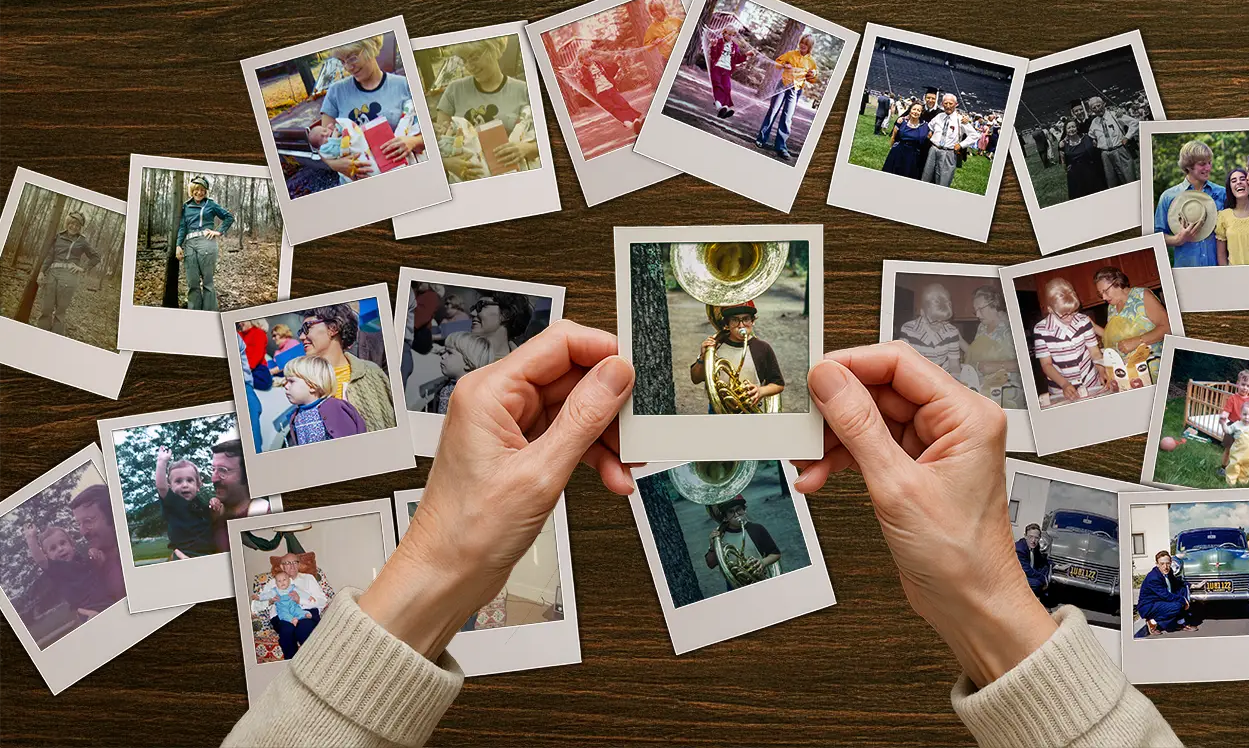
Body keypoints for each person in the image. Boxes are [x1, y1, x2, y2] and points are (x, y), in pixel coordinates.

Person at [222, 325, 1179, 747]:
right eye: (735, 321)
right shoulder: (701, 355)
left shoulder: (759, 355)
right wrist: (980, 604)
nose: (743, 326)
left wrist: (442, 568)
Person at [318, 34, 425, 177]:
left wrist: (413, 141)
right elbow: (323, 143)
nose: (348, 67)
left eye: (352, 57)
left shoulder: (404, 85)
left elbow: (431, 133)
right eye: (342, 61)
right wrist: (334, 164)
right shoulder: (336, 92)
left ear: (370, 48)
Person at [433, 37, 539, 181]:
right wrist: (447, 164)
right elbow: (439, 144)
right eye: (464, 60)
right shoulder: (454, 90)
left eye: (474, 58)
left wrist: (526, 149)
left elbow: (545, 142)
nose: (469, 67)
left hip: (513, 180)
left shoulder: (524, 90)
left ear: (494, 50)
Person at [297, 304, 397, 432]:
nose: (301, 337)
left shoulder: (372, 373)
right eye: (301, 331)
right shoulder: (301, 381)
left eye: (307, 327)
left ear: (333, 328)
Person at [690, 301, 785, 412]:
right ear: (727, 324)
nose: (741, 325)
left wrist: (760, 391)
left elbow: (778, 384)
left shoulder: (763, 348)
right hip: (718, 411)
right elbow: (695, 379)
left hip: (751, 411)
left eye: (746, 319)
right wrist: (703, 357)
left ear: (753, 321)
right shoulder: (715, 346)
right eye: (735, 320)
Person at [1031, 278, 1107, 405]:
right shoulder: (1041, 330)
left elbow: (1094, 353)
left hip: (1090, 383)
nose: (1071, 318)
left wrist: (1101, 370)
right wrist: (1065, 384)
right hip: (1060, 389)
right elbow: (1046, 365)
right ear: (1050, 309)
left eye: (1073, 311)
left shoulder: (1083, 321)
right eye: (1064, 314)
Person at [1154, 140, 1227, 267]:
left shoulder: (1223, 193)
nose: (1208, 168)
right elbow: (1156, 236)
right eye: (1202, 164)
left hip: (1218, 269)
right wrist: (1177, 239)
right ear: (1188, 166)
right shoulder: (1169, 197)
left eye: (1209, 163)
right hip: (1186, 269)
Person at [23, 521, 114, 621]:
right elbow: (40, 560)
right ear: (47, 556)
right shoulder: (58, 570)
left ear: (71, 544)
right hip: (90, 612)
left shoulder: (83, 560)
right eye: (53, 548)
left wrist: (96, 555)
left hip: (108, 602)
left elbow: (100, 571)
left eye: (63, 543)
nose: (60, 549)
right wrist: (31, 538)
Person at [1091, 266, 1168, 382]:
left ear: (1117, 282)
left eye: (1105, 291)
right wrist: (1093, 326)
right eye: (1100, 294)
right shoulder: (1111, 308)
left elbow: (1168, 328)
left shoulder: (1142, 295)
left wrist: (1138, 341)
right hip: (1128, 375)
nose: (1103, 297)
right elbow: (1113, 338)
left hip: (1152, 371)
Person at [272, 355, 368, 447]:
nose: (285, 385)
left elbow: (351, 442)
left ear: (312, 386)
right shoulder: (297, 416)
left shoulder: (334, 408)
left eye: (291, 381)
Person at [170, 175, 234, 312]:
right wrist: (178, 245)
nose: (200, 193)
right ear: (192, 189)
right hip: (189, 245)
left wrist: (219, 232)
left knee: (208, 282)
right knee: (192, 283)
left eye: (203, 190)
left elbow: (229, 217)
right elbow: (182, 227)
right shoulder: (186, 206)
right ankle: (194, 313)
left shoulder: (210, 204)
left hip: (207, 242)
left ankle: (209, 313)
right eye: (197, 189)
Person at [250, 553, 329, 661]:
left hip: (305, 613)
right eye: (287, 563)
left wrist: (300, 600)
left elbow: (322, 601)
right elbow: (255, 605)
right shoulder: (273, 583)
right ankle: (291, 666)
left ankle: (312, 663)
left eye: (295, 562)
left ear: (299, 564)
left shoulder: (308, 578)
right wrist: (270, 601)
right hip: (282, 615)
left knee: (304, 629)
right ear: (282, 566)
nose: (292, 566)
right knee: (286, 631)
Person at [35, 209, 101, 336]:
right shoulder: (58, 237)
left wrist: (82, 268)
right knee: (46, 308)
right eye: (72, 223)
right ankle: (41, 335)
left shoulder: (82, 241)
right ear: (67, 223)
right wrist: (42, 271)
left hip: (69, 277)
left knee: (60, 311)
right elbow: (50, 256)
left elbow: (96, 257)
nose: (74, 227)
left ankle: (55, 337)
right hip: (52, 274)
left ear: (80, 227)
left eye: (77, 225)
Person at [756, 34, 819, 160]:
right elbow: (777, 63)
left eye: (806, 45)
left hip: (795, 90)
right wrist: (785, 64)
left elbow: (813, 79)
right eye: (802, 42)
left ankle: (780, 146)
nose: (802, 46)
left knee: (787, 117)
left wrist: (812, 74)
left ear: (810, 47)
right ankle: (761, 139)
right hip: (782, 85)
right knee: (773, 111)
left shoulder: (811, 61)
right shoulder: (791, 54)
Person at [963, 285, 1026, 409]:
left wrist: (996, 366)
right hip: (983, 391)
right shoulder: (982, 327)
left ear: (994, 303)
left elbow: (1025, 363)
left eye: (980, 309)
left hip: (1008, 394)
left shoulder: (1012, 325)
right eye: (975, 310)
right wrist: (958, 339)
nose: (977, 314)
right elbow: (974, 352)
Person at [153, 447, 219, 560]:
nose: (184, 485)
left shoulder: (201, 504)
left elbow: (215, 516)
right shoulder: (173, 503)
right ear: (170, 486)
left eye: (189, 480)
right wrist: (161, 462)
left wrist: (215, 501)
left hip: (208, 553)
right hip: (184, 553)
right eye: (178, 481)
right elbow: (161, 486)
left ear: (198, 485)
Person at [704, 495, 781, 591]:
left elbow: (776, 554)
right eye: (731, 512)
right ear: (726, 517)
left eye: (739, 509)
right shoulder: (720, 535)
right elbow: (710, 564)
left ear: (745, 510)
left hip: (761, 580)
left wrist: (762, 562)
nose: (736, 514)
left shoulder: (757, 529)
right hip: (734, 586)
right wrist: (713, 546)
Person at [210, 437, 272, 552]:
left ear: (247, 474)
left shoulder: (264, 514)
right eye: (213, 469)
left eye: (223, 471)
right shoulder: (213, 514)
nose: (213, 479)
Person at [67, 484, 125, 605]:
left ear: (113, 516)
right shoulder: (93, 564)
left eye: (88, 521)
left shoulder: (134, 555)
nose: (82, 532)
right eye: (79, 524)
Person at [897, 281, 964, 377]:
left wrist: (955, 382)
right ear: (922, 312)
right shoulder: (908, 330)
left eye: (944, 320)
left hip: (943, 378)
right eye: (935, 320)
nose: (940, 325)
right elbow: (904, 361)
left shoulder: (951, 332)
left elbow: (954, 365)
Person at [574, 45, 644, 134]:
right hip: (601, 94)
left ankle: (637, 121)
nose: (589, 59)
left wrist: (616, 62)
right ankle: (630, 124)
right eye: (586, 58)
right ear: (582, 61)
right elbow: (589, 86)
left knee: (623, 104)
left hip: (610, 88)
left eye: (590, 56)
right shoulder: (583, 71)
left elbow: (610, 72)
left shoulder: (598, 64)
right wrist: (581, 79)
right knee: (615, 109)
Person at [922, 93, 980, 189]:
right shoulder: (939, 116)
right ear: (942, 104)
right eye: (945, 103)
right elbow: (929, 127)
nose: (948, 106)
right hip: (933, 150)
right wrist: (930, 132)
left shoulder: (960, 119)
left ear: (956, 104)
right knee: (926, 177)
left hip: (948, 153)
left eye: (951, 103)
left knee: (943, 181)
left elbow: (974, 135)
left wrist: (961, 145)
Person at [428, 331, 493, 415]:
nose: (443, 356)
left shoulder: (472, 394)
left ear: (467, 363)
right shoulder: (447, 386)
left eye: (449, 353)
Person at [1215, 168, 1249, 266]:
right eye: (1234, 181)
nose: (1239, 182)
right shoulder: (1223, 216)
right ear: (1230, 188)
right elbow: (1221, 254)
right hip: (1234, 277)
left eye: (1242, 179)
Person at [1136, 551, 1197, 635]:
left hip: (1159, 601)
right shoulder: (1153, 578)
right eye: (1162, 564)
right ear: (1157, 564)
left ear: (1171, 563)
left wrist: (1192, 586)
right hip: (1149, 606)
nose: (1165, 567)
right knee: (1177, 606)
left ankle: (1180, 623)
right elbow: (1166, 596)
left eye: (1168, 563)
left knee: (1182, 590)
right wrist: (1183, 600)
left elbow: (1177, 583)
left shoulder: (1169, 571)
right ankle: (1152, 621)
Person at [1085, 96, 1139, 187]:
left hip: (1119, 150)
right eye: (1094, 108)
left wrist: (1127, 137)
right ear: (1091, 110)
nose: (1098, 109)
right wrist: (1094, 140)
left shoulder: (1115, 115)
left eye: (1099, 105)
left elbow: (1135, 123)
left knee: (1129, 177)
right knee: (1112, 180)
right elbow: (1091, 135)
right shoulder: (1094, 122)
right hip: (1105, 154)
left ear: (1104, 104)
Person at [468, 290, 533, 362]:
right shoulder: (459, 356)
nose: (472, 313)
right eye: (473, 308)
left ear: (506, 314)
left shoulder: (524, 364)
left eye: (480, 306)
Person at [707, 25, 753, 119]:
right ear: (724, 34)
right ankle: (720, 107)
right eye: (729, 34)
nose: (731, 37)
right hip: (717, 67)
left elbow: (736, 59)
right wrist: (714, 46)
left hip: (727, 70)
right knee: (717, 86)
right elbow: (713, 56)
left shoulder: (734, 46)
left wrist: (746, 56)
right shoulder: (718, 42)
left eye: (733, 35)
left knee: (727, 88)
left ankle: (726, 108)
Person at [1218, 369, 1249, 478]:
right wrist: (1223, 416)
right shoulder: (1232, 398)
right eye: (1243, 384)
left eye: (1248, 386)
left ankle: (1237, 468)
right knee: (1228, 449)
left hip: (1245, 429)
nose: (1245, 388)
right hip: (1232, 425)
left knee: (1241, 450)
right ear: (1238, 384)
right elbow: (1227, 411)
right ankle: (1223, 467)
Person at [1059, 120, 1106, 200]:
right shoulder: (1063, 144)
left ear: (1077, 128)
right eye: (1069, 128)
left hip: (1090, 172)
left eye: (1073, 127)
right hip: (1075, 176)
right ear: (1066, 131)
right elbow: (1063, 161)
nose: (1071, 129)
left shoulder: (1086, 138)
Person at [881, 102, 929, 179]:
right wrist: (891, 148)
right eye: (914, 109)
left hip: (912, 155)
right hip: (898, 151)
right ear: (910, 110)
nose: (916, 112)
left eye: (918, 110)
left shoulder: (925, 126)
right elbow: (893, 136)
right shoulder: (901, 121)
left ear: (921, 113)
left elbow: (930, 136)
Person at [1015, 524, 1051, 604]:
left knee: (1046, 567)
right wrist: (1043, 578)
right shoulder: (1019, 549)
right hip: (1015, 576)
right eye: (1030, 537)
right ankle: (1035, 600)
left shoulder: (1035, 546)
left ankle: (1039, 597)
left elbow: (1040, 559)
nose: (1033, 541)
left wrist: (1054, 565)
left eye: (1036, 538)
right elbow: (1026, 570)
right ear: (1025, 536)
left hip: (1027, 572)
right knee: (1037, 584)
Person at [237, 319, 272, 391]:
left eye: (242, 321)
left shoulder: (259, 333)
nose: (240, 323)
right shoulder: (239, 335)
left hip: (257, 367)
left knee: (265, 383)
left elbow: (257, 354)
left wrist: (246, 369)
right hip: (243, 366)